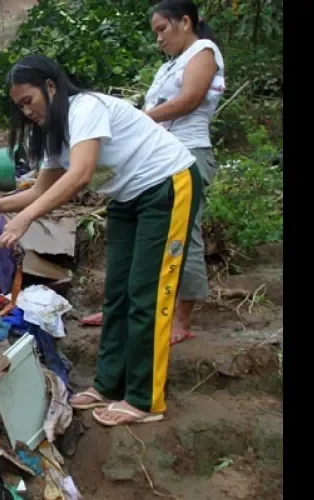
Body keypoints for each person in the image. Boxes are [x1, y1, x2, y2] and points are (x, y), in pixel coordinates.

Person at [0, 55, 201, 426]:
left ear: (50, 87)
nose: (26, 111)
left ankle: (146, 400)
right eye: (19, 106)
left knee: (148, 292)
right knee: (117, 294)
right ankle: (108, 384)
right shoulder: (54, 133)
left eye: (28, 100)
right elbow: (41, 189)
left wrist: (24, 220)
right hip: (127, 197)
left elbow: (80, 175)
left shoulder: (86, 108)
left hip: (166, 185)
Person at [80, 0, 225, 345]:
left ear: (185, 22)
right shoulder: (170, 66)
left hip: (187, 153)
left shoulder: (203, 52)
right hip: (152, 159)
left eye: (162, 29)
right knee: (135, 238)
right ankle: (123, 307)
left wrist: (139, 120)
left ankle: (181, 319)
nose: (158, 38)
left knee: (183, 236)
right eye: (155, 32)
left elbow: (189, 100)